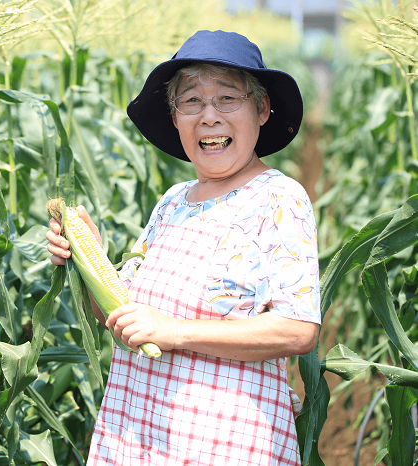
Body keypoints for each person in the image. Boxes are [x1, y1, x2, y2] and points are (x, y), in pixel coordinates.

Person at [46, 30, 321, 465]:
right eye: (191, 101)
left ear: (262, 109)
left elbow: (298, 329)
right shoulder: (172, 200)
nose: (208, 117)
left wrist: (176, 332)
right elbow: (123, 321)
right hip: (135, 434)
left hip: (222, 442)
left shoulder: (278, 198)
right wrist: (87, 258)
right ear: (175, 118)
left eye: (228, 98)